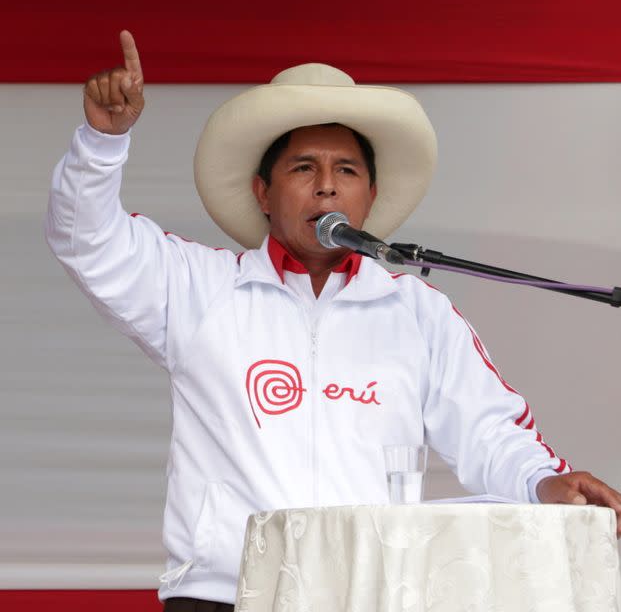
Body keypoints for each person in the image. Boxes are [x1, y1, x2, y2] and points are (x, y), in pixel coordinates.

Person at [45, 31, 621, 611]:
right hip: (227, 596)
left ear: (369, 196)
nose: (326, 184)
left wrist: (544, 484)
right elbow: (87, 241)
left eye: (346, 169)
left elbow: (491, 433)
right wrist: (101, 142)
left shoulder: (417, 312)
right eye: (303, 167)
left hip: (368, 594)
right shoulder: (200, 286)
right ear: (263, 193)